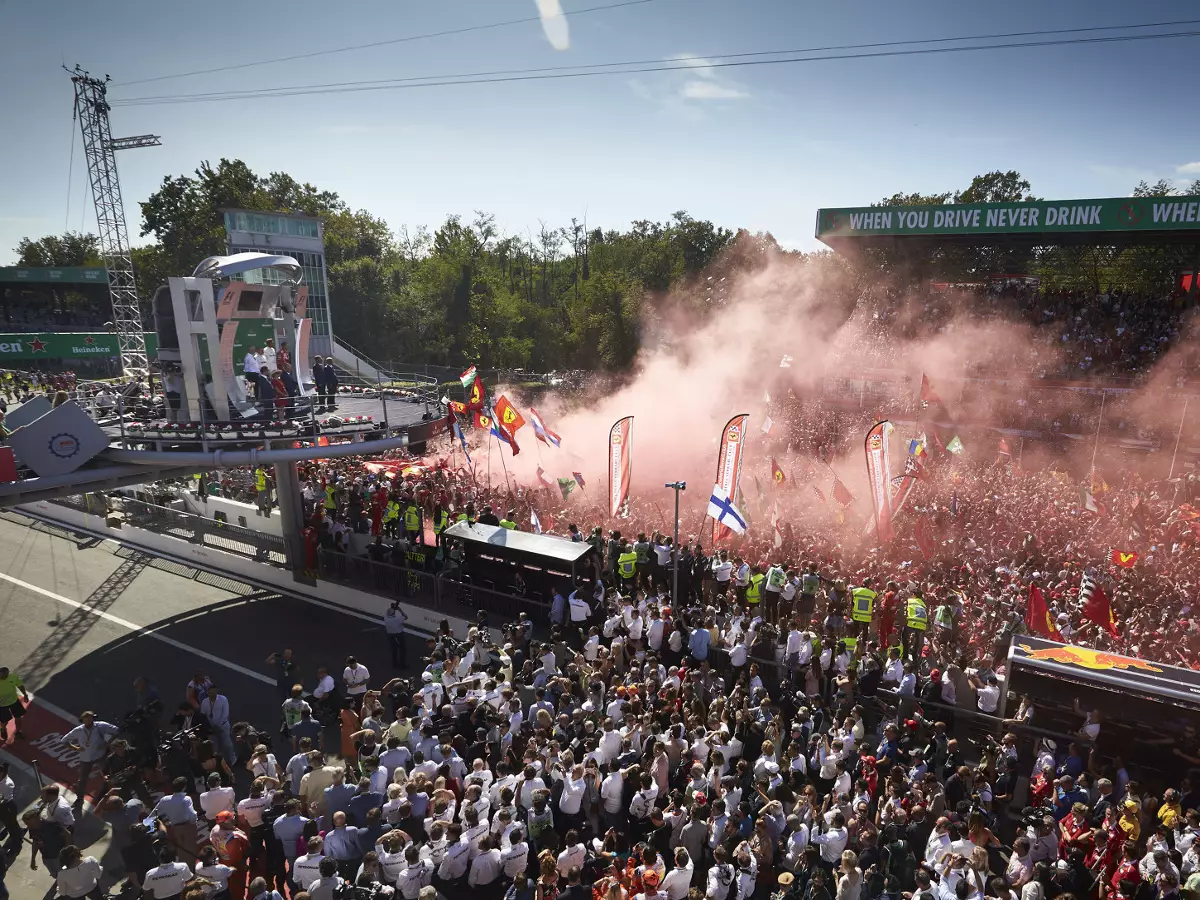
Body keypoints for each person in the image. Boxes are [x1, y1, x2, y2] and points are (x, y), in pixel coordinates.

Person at [63, 710, 120, 809]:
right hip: (85, 758)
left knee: (109, 776)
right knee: (82, 780)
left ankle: (110, 795)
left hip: (100, 756)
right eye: (87, 718)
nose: (90, 720)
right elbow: (64, 740)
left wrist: (108, 743)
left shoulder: (101, 726)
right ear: (83, 720)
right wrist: (76, 748)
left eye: (91, 718)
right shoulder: (78, 730)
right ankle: (79, 799)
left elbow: (117, 730)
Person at [0, 666, 29, 742]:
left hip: (14, 701)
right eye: (3, 675)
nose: (5, 676)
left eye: (6, 674)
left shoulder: (13, 677)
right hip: (1, 704)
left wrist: (25, 694)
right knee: (4, 721)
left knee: (18, 717)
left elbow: (20, 686)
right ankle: (3, 729)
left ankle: (18, 732)